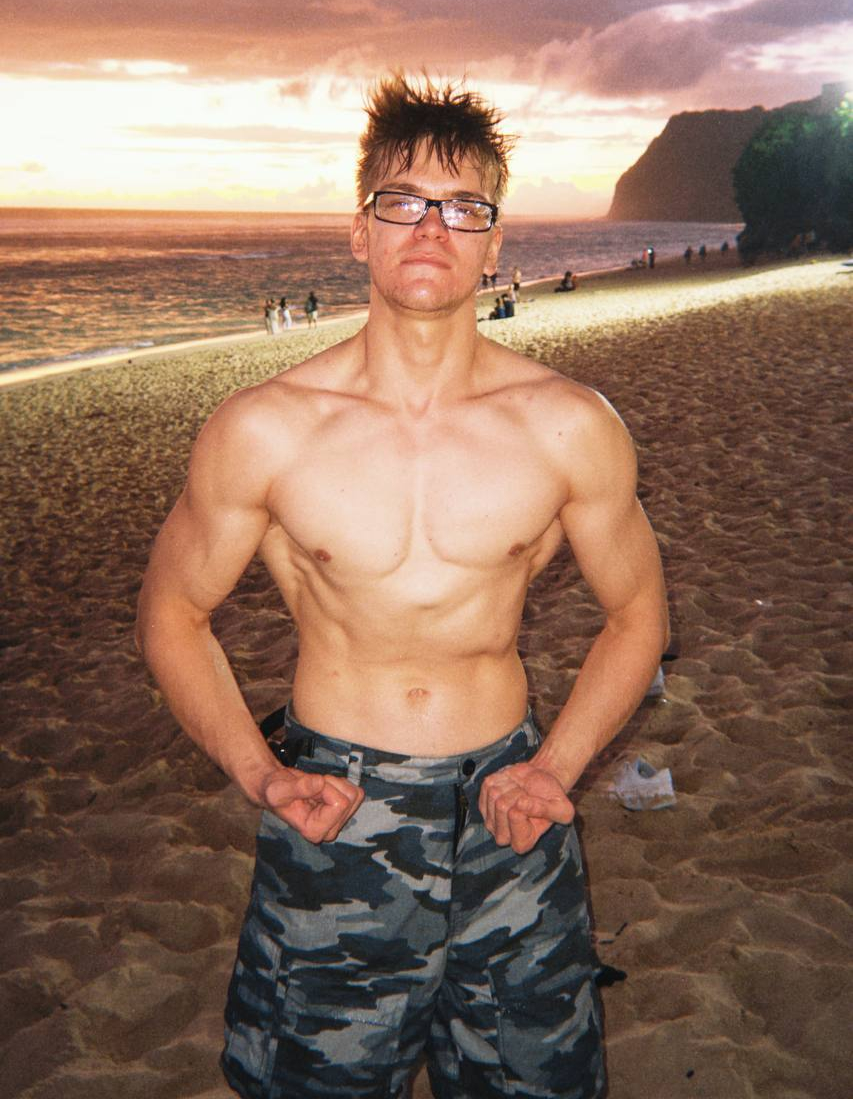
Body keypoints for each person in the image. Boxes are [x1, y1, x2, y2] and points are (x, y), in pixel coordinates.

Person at [136, 74, 668, 1099]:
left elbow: (637, 611)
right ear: (359, 230)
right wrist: (261, 774)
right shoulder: (265, 428)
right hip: (336, 810)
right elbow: (173, 610)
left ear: (494, 244)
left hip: (511, 813)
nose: (432, 226)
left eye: (463, 207)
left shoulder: (567, 424)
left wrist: (556, 766)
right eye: (403, 201)